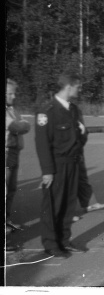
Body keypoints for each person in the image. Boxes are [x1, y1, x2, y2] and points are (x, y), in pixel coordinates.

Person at [35, 73, 88, 258]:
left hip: (72, 163)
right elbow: (42, 144)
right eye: (77, 86)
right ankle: (51, 244)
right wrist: (47, 172)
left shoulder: (73, 109)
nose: (79, 89)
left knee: (68, 204)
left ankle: (64, 241)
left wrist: (83, 134)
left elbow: (79, 138)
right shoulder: (47, 111)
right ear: (68, 87)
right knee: (53, 205)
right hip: (56, 165)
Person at [5, 79, 31, 239]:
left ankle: (7, 219)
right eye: (10, 93)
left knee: (12, 189)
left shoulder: (12, 110)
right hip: (7, 152)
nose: (14, 96)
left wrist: (22, 124)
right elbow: (17, 127)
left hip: (14, 152)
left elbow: (23, 125)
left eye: (14, 93)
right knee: (5, 190)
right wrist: (22, 124)